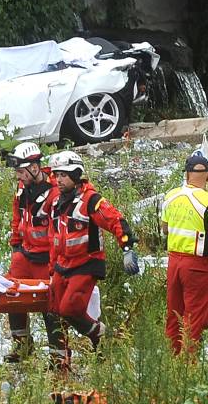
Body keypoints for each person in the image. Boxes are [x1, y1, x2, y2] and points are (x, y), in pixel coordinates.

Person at [47, 151, 140, 364]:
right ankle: (60, 361)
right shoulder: (57, 202)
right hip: (63, 264)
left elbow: (116, 221)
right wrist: (52, 268)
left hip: (86, 264)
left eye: (64, 175)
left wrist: (127, 249)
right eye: (57, 175)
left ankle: (103, 337)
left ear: (77, 174)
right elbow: (54, 237)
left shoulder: (91, 200)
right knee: (53, 311)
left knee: (70, 309)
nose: (59, 180)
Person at [4, 142, 66, 367]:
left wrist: (56, 262)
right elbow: (16, 218)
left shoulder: (55, 194)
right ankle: (22, 345)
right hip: (25, 254)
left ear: (34, 167)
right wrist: (15, 246)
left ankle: (59, 357)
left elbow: (58, 231)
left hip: (47, 258)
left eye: (21, 171)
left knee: (51, 306)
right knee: (12, 297)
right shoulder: (22, 189)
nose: (19, 177)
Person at [161, 153, 208, 354]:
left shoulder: (170, 196)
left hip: (174, 263)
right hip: (198, 265)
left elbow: (164, 228)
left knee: (174, 312)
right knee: (196, 314)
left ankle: (172, 357)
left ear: (187, 174)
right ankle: (189, 364)